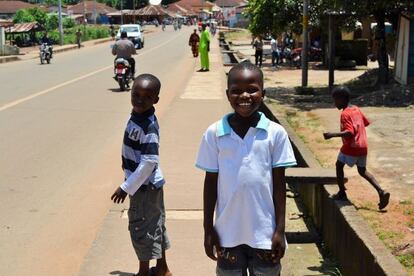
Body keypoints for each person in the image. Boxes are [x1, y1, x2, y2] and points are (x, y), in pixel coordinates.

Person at [196, 63, 297, 275]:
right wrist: (208, 229)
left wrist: (280, 230)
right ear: (227, 94)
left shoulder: (275, 133)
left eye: (252, 89)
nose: (244, 96)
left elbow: (279, 186)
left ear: (263, 93)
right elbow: (210, 183)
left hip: (265, 235)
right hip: (227, 234)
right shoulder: (214, 134)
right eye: (236, 90)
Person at [111, 74, 172, 276]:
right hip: (148, 184)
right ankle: (162, 268)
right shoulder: (138, 116)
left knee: (140, 226)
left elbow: (149, 162)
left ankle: (144, 271)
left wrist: (126, 186)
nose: (139, 99)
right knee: (155, 224)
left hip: (144, 187)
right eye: (135, 94)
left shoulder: (149, 126)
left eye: (146, 97)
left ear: (156, 100)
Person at [323, 86, 390, 210]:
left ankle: (342, 193)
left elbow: (350, 132)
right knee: (362, 171)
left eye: (336, 100)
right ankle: (381, 191)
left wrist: (332, 135)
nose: (334, 103)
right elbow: (364, 123)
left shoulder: (345, 113)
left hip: (352, 146)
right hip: (363, 145)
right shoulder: (356, 109)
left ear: (342, 99)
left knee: (339, 165)